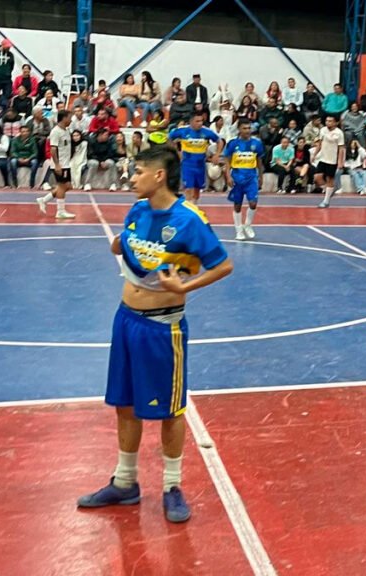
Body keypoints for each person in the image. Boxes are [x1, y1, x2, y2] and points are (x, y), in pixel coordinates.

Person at [77, 146, 233, 523]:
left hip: (163, 326)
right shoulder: (138, 209)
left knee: (170, 408)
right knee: (125, 401)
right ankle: (126, 482)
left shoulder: (189, 219)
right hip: (125, 319)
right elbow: (126, 244)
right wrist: (119, 244)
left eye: (138, 171)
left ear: (159, 176)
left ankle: (172, 486)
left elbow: (223, 264)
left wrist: (186, 287)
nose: (131, 178)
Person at [222, 120, 264, 240]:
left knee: (253, 203)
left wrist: (261, 176)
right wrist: (228, 176)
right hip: (237, 177)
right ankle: (238, 229)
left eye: (249, 128)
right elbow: (227, 160)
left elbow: (259, 162)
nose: (247, 131)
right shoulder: (233, 144)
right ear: (239, 130)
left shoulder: (257, 143)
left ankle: (248, 225)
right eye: (245, 128)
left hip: (251, 178)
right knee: (237, 205)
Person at [168, 112, 222, 204]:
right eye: (197, 121)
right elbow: (169, 138)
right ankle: (188, 210)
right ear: (191, 122)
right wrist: (176, 152)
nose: (200, 123)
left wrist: (217, 154)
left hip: (200, 164)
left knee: (197, 191)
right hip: (187, 164)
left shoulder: (206, 132)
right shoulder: (183, 131)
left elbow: (219, 141)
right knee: (189, 188)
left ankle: (194, 207)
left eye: (201, 121)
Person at [36, 110, 76, 219]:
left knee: (68, 186)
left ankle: (44, 200)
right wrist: (57, 164)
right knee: (62, 187)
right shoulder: (55, 131)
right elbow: (53, 149)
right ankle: (60, 211)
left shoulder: (66, 131)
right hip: (60, 164)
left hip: (66, 163)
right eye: (69, 118)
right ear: (63, 118)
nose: (71, 120)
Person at [314, 115, 346, 208]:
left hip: (332, 160)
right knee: (317, 177)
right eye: (327, 121)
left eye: (331, 121)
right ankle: (330, 190)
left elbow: (341, 148)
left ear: (336, 122)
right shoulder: (323, 130)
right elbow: (319, 143)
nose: (328, 123)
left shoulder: (339, 133)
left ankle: (326, 201)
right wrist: (315, 154)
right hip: (323, 158)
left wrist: (340, 162)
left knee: (329, 179)